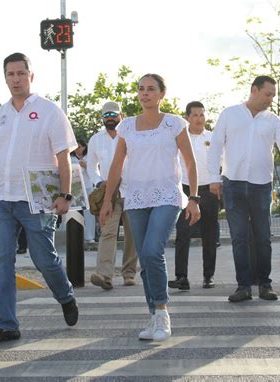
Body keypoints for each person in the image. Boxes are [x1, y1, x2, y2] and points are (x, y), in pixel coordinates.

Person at [0, 52, 79, 344]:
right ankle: (7, 324)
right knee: (0, 262)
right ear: (5, 77)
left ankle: (66, 295)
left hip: (35, 201)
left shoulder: (49, 111)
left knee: (43, 259)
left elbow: (63, 156)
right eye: (10, 74)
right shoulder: (0, 114)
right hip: (1, 199)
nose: (16, 79)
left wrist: (65, 194)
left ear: (31, 76)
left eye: (21, 73)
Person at [100, 74, 200, 341]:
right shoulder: (127, 127)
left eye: (151, 89)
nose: (145, 94)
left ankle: (162, 310)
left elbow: (190, 163)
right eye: (141, 89)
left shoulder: (174, 124)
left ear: (161, 94)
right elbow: (116, 165)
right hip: (135, 198)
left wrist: (194, 198)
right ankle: (153, 316)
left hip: (167, 196)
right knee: (145, 258)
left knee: (152, 251)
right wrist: (108, 200)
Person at [208, 75, 280, 303]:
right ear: (254, 90)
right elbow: (216, 145)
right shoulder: (230, 114)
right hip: (233, 184)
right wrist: (213, 178)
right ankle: (243, 286)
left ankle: (265, 284)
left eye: (273, 95)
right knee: (239, 237)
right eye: (267, 94)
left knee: (263, 237)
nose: (270, 99)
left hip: (261, 186)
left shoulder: (273, 121)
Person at [169, 101, 219, 290]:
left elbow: (221, 162)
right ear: (187, 118)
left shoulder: (213, 138)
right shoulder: (180, 138)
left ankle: (208, 276)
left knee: (210, 235)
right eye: (195, 115)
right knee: (183, 233)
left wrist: (218, 183)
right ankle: (181, 277)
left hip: (209, 190)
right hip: (185, 190)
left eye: (202, 115)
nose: (199, 119)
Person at [87, 101, 137, 290]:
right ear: (102, 118)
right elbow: (91, 167)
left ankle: (129, 273)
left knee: (133, 234)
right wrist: (100, 182)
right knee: (108, 232)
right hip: (109, 193)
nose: (110, 119)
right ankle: (105, 275)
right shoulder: (95, 140)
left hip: (131, 190)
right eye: (106, 116)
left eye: (113, 115)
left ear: (121, 116)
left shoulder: (131, 136)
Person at [71, 138, 96, 244]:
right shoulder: (70, 157)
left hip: (88, 187)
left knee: (89, 213)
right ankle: (74, 236)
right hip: (75, 188)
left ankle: (89, 237)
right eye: (75, 147)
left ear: (84, 147)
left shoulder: (89, 157)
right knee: (74, 212)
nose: (77, 149)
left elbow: (95, 171)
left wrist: (87, 166)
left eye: (79, 147)